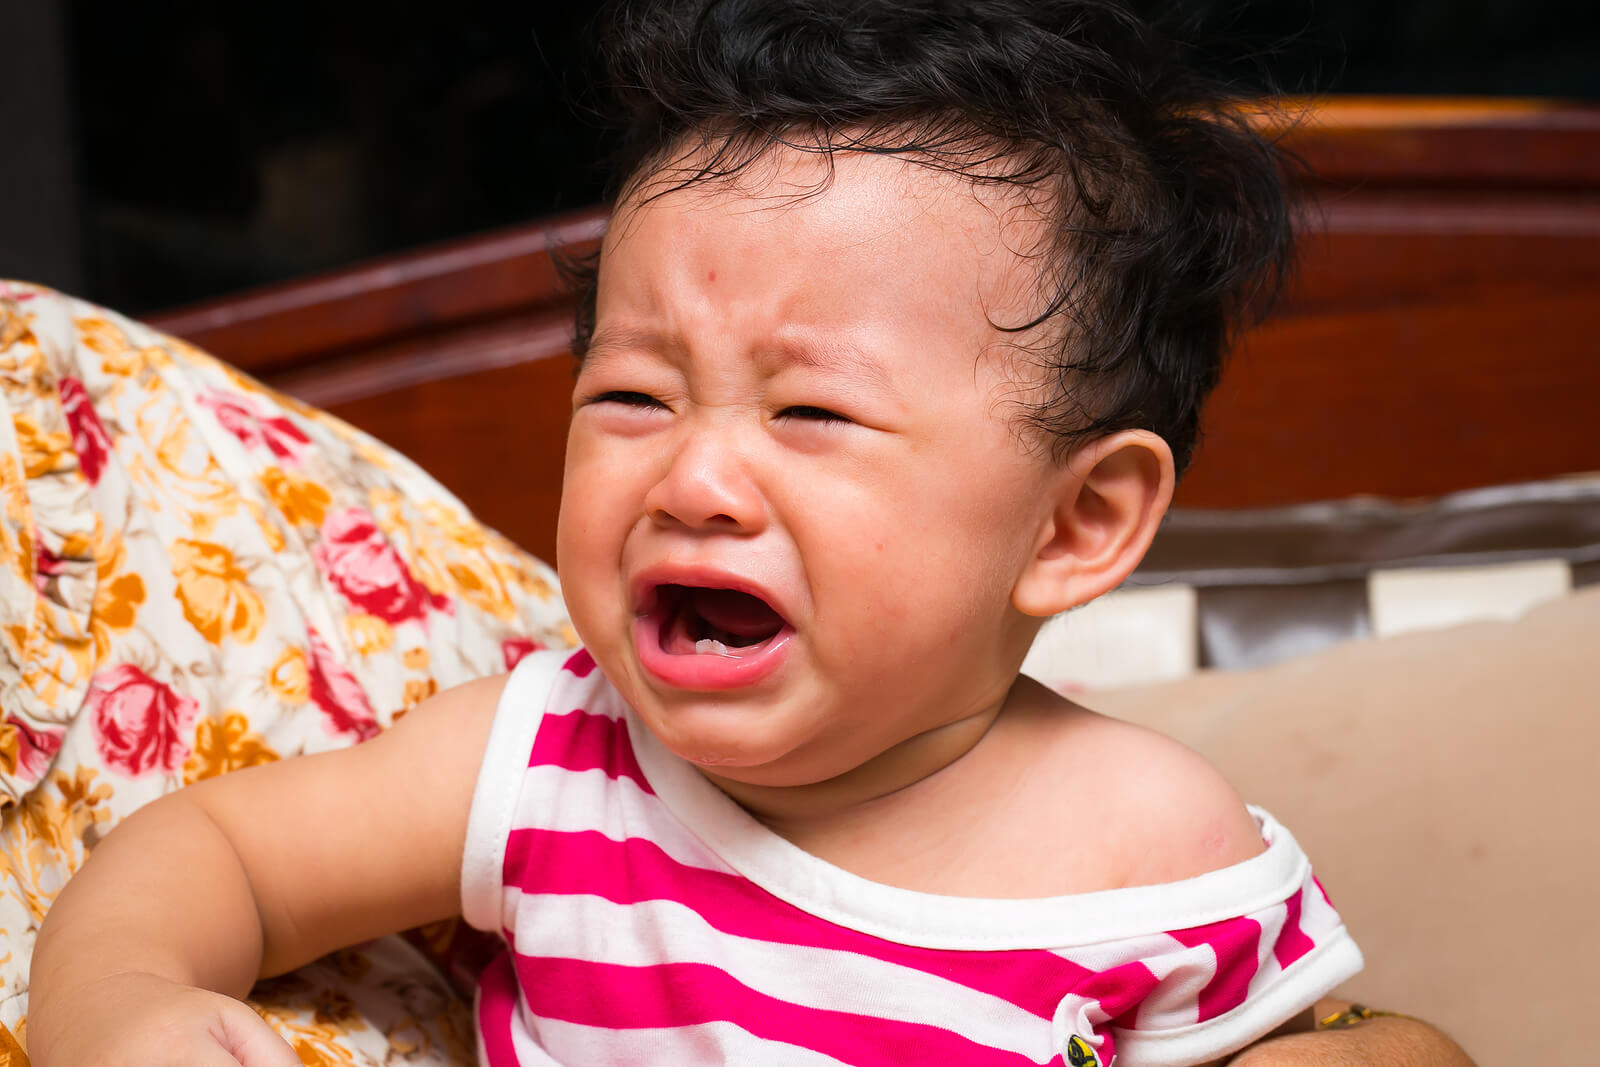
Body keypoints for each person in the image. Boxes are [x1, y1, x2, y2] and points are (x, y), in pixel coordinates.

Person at [26, 1, 1472, 1064]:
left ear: (1076, 523)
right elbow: (218, 851)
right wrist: (124, 998)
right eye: (637, 395)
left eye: (811, 415)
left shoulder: (1149, 847)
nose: (697, 479)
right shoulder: (550, 762)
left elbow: (1383, 1044)